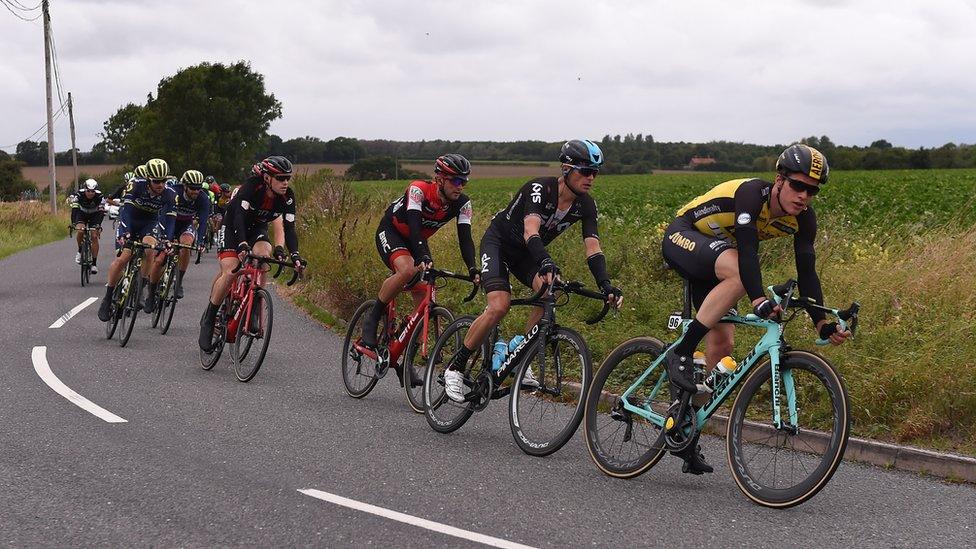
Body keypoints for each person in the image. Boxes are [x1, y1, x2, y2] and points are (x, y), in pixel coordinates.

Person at [660, 143, 851, 475]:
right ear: (779, 179)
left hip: (716, 257)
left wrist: (820, 321)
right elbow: (747, 253)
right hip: (685, 236)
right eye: (798, 185)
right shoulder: (752, 194)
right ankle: (680, 352)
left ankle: (684, 429)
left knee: (722, 347)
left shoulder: (803, 219)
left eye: (812, 190)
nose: (804, 195)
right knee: (738, 271)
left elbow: (807, 271)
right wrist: (759, 300)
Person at [442, 139, 623, 402]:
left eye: (595, 172)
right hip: (499, 245)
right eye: (585, 170)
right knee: (499, 306)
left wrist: (606, 284)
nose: (591, 178)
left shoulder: (586, 205)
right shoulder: (539, 189)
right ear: (566, 169)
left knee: (550, 288)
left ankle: (517, 352)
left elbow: (593, 248)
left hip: (526, 254)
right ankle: (455, 367)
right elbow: (531, 230)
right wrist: (546, 260)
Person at [359, 154, 479, 379]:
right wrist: (423, 255)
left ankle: (405, 359)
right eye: (455, 180)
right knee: (407, 270)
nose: (460, 186)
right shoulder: (418, 189)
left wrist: (473, 268)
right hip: (393, 232)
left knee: (425, 296)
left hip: (417, 242)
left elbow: (466, 239)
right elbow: (414, 227)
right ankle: (373, 317)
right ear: (440, 179)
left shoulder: (463, 204)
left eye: (464, 181)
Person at [198, 156, 306, 351]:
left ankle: (255, 305)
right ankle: (210, 317)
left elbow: (289, 228)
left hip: (257, 228)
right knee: (231, 270)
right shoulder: (252, 187)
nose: (285, 182)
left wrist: (295, 255)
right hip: (232, 227)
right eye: (281, 178)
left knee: (264, 255)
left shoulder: (287, 196)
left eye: (288, 178)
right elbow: (238, 216)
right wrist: (241, 244)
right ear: (266, 178)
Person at [97, 158, 177, 321]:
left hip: (149, 223)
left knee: (150, 250)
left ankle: (140, 288)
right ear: (148, 179)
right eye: (156, 181)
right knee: (122, 259)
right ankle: (107, 298)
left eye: (163, 181)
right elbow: (126, 210)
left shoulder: (170, 194)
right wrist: (124, 232)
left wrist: (168, 239)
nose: (160, 185)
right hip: (130, 221)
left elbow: (170, 219)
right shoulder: (135, 185)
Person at [144, 169, 210, 308]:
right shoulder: (174, 192)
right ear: (184, 186)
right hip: (167, 223)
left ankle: (178, 281)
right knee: (160, 260)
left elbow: (203, 222)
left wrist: (201, 242)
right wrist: (166, 239)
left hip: (185, 224)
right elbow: (163, 215)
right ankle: (151, 293)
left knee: (186, 246)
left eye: (198, 188)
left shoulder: (203, 199)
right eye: (192, 188)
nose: (196, 191)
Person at [68, 178, 105, 273]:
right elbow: (75, 210)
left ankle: (94, 264)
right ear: (85, 189)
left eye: (92, 191)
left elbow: (101, 212)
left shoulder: (100, 196)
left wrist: (98, 225)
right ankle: (80, 250)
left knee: (94, 236)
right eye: (88, 191)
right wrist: (73, 223)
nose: (90, 193)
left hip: (95, 214)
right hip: (82, 213)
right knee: (80, 231)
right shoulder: (79, 195)